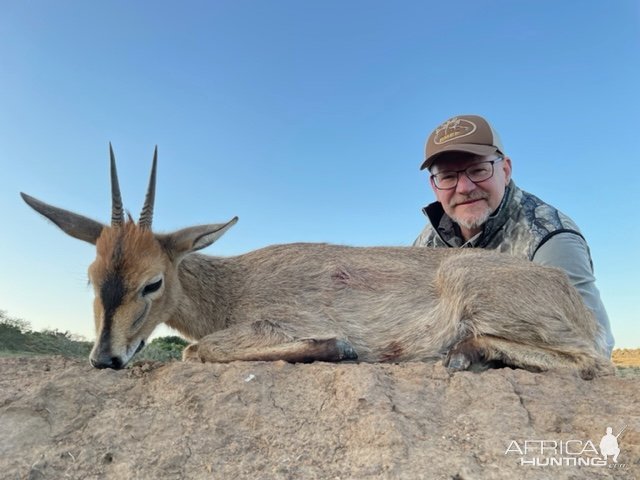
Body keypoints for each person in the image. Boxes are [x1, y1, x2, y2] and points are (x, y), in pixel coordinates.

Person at [414, 114, 614, 357]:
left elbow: (592, 342)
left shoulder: (549, 236)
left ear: (505, 170)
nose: (465, 188)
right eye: (448, 176)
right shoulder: (429, 239)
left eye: (478, 170)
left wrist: (492, 351)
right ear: (435, 186)